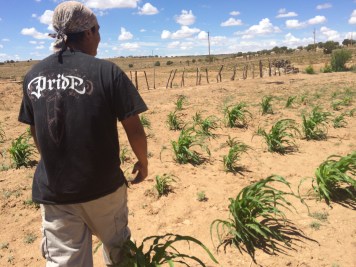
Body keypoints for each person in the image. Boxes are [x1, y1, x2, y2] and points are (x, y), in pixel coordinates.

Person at [18, 1, 148, 266]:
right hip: (103, 188)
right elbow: (133, 127)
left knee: (66, 260)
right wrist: (143, 162)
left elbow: (35, 129)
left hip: (55, 191)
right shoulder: (106, 71)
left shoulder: (33, 76)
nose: (99, 37)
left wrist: (53, 160)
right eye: (98, 30)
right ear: (88, 32)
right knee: (118, 250)